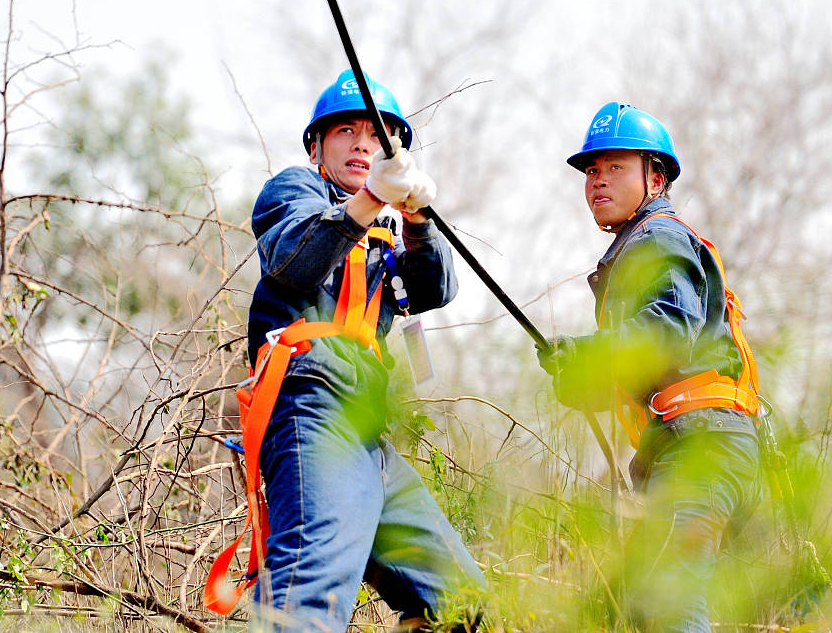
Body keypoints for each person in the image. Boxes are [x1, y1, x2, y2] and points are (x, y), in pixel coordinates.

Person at [227, 70, 484, 631]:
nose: (363, 143)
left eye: (378, 134)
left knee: (466, 605)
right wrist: (370, 200)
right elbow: (297, 261)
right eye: (345, 131)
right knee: (308, 598)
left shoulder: (386, 226)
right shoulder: (297, 192)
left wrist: (417, 220)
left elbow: (435, 290)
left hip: (367, 428)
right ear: (317, 146)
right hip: (313, 410)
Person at [538, 102, 763, 633]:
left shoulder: (658, 237)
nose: (597, 181)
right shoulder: (632, 251)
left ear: (655, 176)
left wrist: (590, 352)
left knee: (670, 600)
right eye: (591, 170)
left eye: (615, 167)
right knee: (634, 605)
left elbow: (665, 332)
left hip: (702, 446)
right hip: (691, 442)